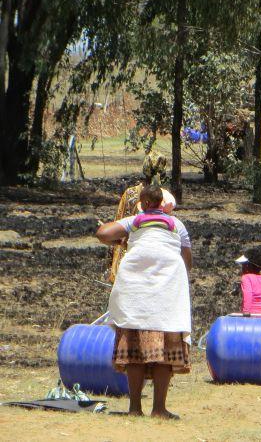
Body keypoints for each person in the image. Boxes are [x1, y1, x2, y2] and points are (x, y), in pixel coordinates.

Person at [95, 185, 192, 419]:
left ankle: (135, 408)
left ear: (146, 203)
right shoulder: (177, 225)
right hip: (166, 294)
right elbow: (187, 261)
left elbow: (103, 234)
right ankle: (159, 409)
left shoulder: (135, 221)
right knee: (165, 353)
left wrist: (123, 241)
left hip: (136, 294)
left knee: (133, 352)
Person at [108, 152, 177, 282]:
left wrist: (112, 259)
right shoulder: (165, 198)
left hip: (128, 256)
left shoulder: (130, 193)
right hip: (157, 261)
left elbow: (118, 223)